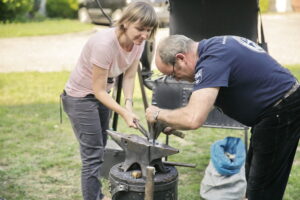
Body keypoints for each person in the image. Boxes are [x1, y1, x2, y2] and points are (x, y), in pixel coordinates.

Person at [146, 34, 300, 200]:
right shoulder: (214, 48)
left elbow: (193, 118)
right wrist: (175, 123)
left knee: (263, 190)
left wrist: (157, 113)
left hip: (280, 111)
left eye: (173, 74)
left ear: (181, 58)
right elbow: (204, 105)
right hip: (275, 110)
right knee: (254, 181)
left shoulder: (212, 61)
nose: (176, 79)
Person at [61, 2, 158, 200]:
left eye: (148, 30)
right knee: (93, 155)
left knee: (100, 147)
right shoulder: (104, 44)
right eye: (140, 29)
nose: (144, 35)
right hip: (80, 97)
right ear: (125, 23)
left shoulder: (138, 43)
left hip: (101, 96)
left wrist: (128, 105)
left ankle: (97, 195)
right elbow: (97, 90)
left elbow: (130, 76)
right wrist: (123, 112)